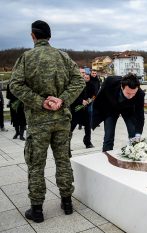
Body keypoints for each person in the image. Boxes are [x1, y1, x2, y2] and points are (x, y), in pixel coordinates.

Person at [9, 20, 85, 223]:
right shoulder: (63, 56)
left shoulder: (26, 57)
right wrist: (62, 100)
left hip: (38, 122)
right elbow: (78, 81)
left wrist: (41, 102)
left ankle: (37, 210)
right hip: (62, 119)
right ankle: (67, 203)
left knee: (36, 164)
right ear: (49, 36)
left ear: (33, 36)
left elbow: (15, 85)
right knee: (63, 161)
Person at [92, 73, 145, 152]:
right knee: (108, 135)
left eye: (133, 93)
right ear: (121, 86)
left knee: (134, 135)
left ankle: (134, 153)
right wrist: (94, 116)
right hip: (111, 109)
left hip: (128, 111)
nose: (131, 96)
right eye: (128, 93)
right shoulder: (110, 82)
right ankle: (107, 154)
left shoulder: (140, 94)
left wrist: (138, 133)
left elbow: (140, 114)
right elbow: (99, 99)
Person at [70, 68, 94, 148]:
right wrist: (81, 101)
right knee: (72, 126)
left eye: (84, 73)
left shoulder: (89, 84)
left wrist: (89, 100)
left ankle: (87, 142)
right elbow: (71, 95)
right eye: (82, 73)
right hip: (76, 108)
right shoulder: (74, 82)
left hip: (86, 107)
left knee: (88, 126)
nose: (84, 74)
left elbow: (94, 95)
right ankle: (66, 144)